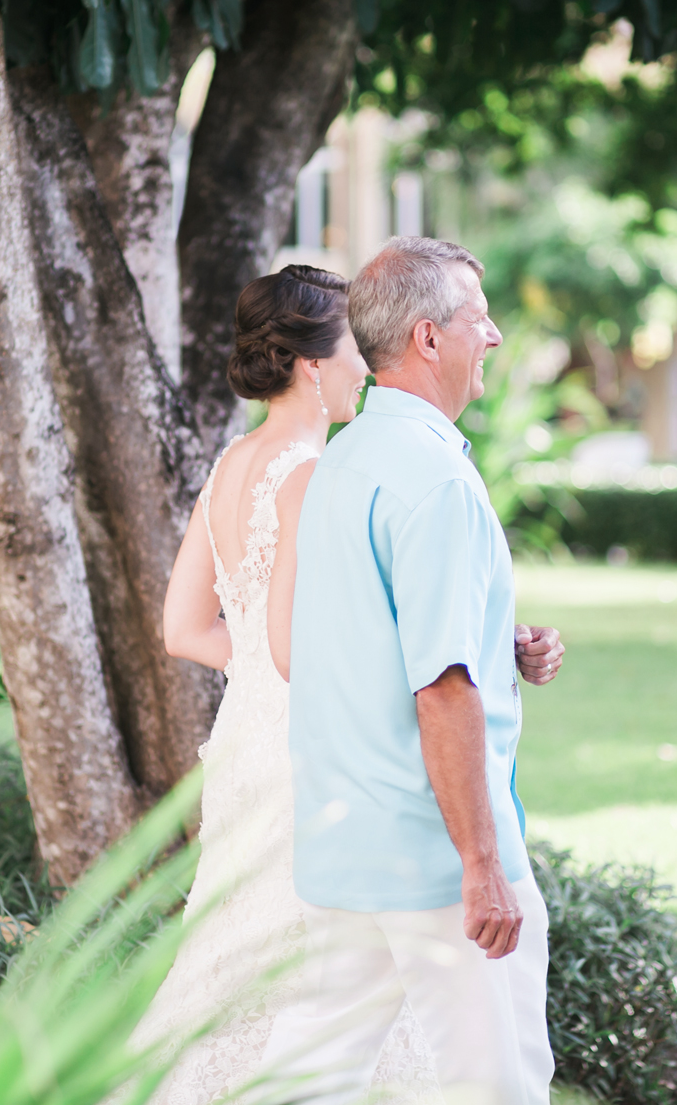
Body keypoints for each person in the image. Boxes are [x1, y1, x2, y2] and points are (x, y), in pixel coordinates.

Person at [256, 236, 566, 1105]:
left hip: (343, 840)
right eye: (478, 318)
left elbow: (355, 637)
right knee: (500, 1082)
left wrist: (498, 644)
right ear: (429, 339)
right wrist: (481, 862)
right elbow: (441, 686)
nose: (495, 337)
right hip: (434, 857)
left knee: (313, 1081)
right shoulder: (434, 480)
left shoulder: (342, 462)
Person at [142, 264, 443, 1104]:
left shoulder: (234, 461)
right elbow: (290, 645)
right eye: (355, 347)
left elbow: (183, 629)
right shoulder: (316, 472)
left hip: (244, 740)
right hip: (307, 745)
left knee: (234, 957)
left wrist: (261, 680)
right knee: (321, 965)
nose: (366, 366)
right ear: (313, 361)